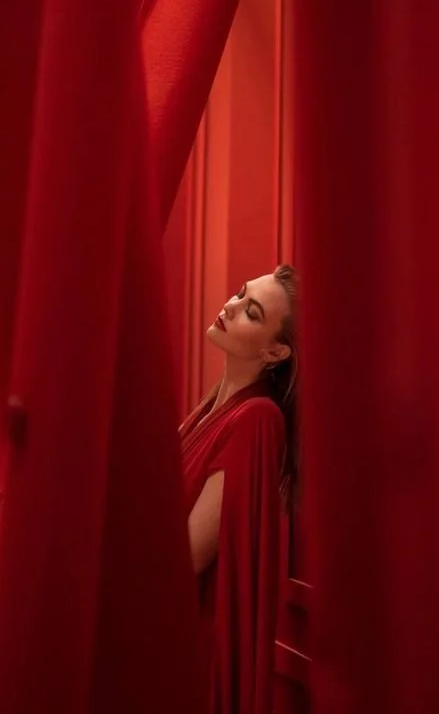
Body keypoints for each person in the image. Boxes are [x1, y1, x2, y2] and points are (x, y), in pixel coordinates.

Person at [179, 264, 299, 714]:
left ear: (275, 352)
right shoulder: (212, 405)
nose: (230, 307)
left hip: (185, 645)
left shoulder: (256, 420)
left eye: (251, 311)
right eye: (239, 294)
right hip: (159, 623)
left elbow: (189, 554)